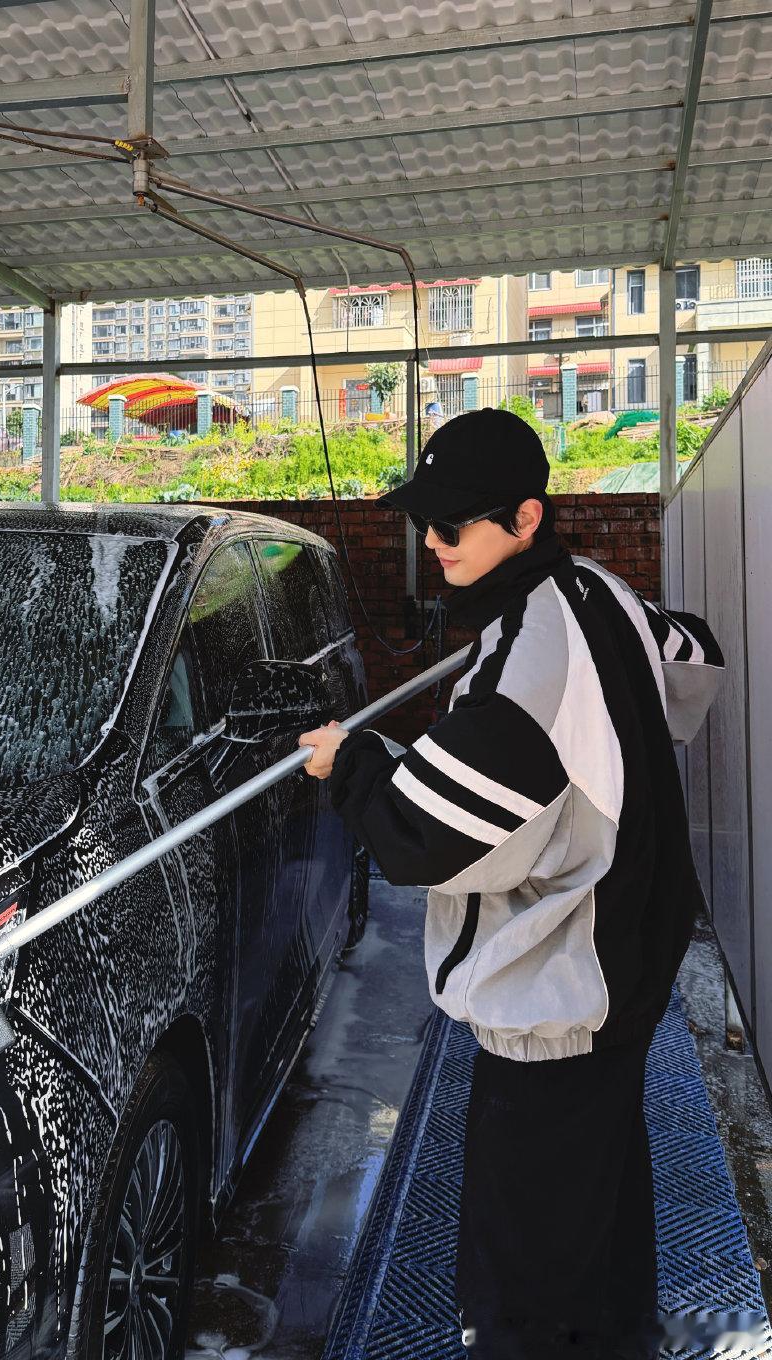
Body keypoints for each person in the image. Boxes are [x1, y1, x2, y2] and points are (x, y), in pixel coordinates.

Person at [297, 407, 724, 1360]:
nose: (432, 542)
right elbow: (693, 654)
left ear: (526, 519)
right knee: (598, 1226)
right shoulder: (596, 589)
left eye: (454, 524)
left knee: (525, 1292)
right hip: (632, 960)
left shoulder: (524, 665)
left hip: (564, 991)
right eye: (425, 521)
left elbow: (420, 839)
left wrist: (350, 761)